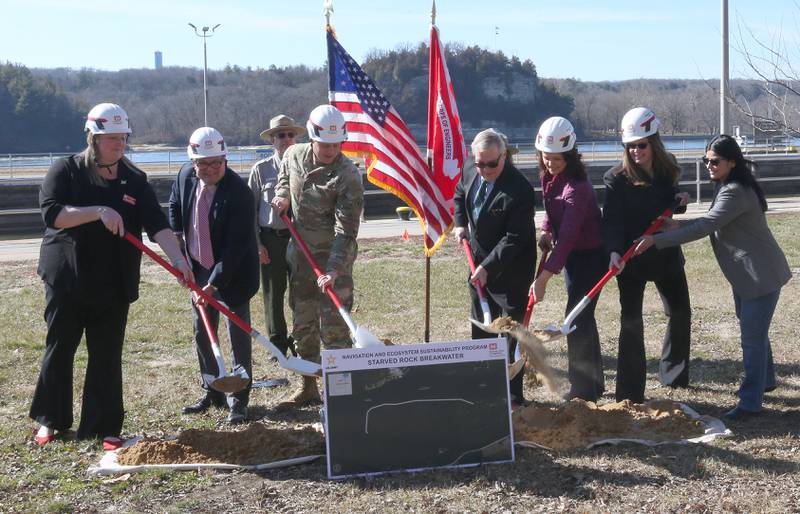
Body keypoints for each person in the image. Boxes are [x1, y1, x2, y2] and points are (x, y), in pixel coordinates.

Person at [30, 103, 191, 447]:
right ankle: (50, 420)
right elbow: (53, 214)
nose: (118, 145)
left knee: (106, 354)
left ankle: (104, 427)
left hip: (113, 282)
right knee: (60, 348)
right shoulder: (67, 170)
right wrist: (97, 211)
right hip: (68, 278)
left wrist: (179, 259)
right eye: (110, 138)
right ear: (93, 137)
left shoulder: (134, 179)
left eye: (122, 138)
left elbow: (157, 225)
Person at [635, 135, 791, 420]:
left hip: (760, 276)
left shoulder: (734, 191)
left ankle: (750, 403)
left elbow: (706, 226)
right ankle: (765, 382)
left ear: (732, 162)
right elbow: (714, 220)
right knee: (755, 331)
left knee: (751, 339)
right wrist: (676, 223)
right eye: (705, 160)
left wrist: (658, 239)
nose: (709, 165)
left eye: (715, 161)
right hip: (749, 276)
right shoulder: (730, 187)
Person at [271, 105, 364, 409]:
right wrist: (283, 196)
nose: (330, 151)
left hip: (335, 258)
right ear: (312, 138)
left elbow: (346, 230)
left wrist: (334, 269)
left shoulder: (348, 175)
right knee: (303, 322)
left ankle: (341, 392)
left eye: (336, 145)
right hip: (301, 257)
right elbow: (284, 176)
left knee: (335, 326)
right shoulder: (294, 155)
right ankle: (308, 386)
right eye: (325, 145)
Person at [169, 127, 259, 424]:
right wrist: (178, 237)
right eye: (203, 164)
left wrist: (213, 283)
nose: (210, 170)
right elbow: (174, 203)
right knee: (202, 331)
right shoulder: (185, 176)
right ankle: (212, 390)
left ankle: (239, 400)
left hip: (233, 273)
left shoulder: (239, 193)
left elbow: (236, 248)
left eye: (217, 163)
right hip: (198, 267)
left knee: (237, 334)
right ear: (193, 162)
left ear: (225, 158)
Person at [602, 107, 691, 404]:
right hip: (632, 259)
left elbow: (671, 203)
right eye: (630, 146)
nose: (636, 151)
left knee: (680, 313)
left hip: (665, 253)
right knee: (631, 321)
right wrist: (615, 251)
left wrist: (680, 202)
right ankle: (629, 392)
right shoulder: (616, 179)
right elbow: (611, 220)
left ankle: (674, 376)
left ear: (654, 141)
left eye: (642, 144)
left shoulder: (668, 168)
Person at [453, 128, 537, 408]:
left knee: (511, 331)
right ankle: (485, 386)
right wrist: (460, 224)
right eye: (480, 163)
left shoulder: (520, 190)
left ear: (504, 156)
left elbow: (514, 238)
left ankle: (513, 395)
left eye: (492, 164)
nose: (485, 169)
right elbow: (459, 195)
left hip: (511, 268)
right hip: (477, 263)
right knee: (481, 326)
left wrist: (489, 267)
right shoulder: (469, 168)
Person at [530, 117, 606, 402]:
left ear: (570, 156)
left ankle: (583, 389)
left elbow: (571, 235)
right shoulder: (548, 177)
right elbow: (551, 212)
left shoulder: (578, 188)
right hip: (572, 258)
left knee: (576, 320)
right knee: (582, 319)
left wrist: (543, 279)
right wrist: (546, 230)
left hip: (591, 257)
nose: (550, 164)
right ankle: (594, 384)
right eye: (546, 158)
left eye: (557, 160)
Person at [248, 115, 306, 358]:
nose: (286, 139)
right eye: (281, 135)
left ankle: (301, 340)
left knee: (301, 292)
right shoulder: (260, 170)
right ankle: (278, 344)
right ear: (272, 140)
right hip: (271, 239)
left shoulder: (306, 168)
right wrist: (257, 244)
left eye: (290, 134)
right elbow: (249, 212)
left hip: (300, 239)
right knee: (273, 295)